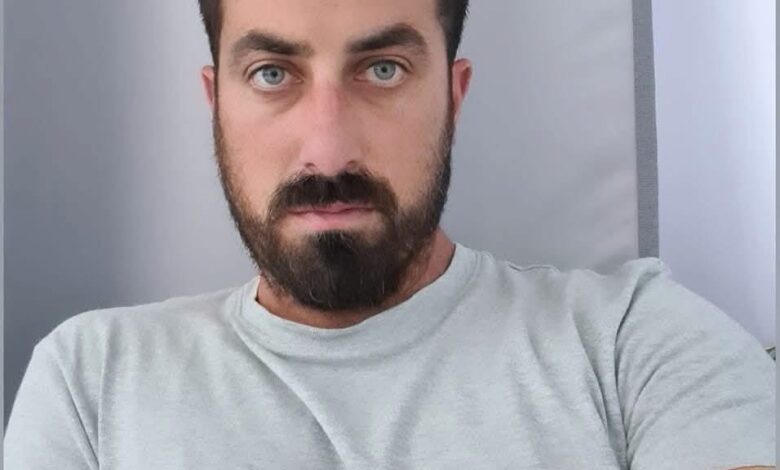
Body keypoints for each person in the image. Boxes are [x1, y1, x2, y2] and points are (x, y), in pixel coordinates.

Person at [4, 0, 775, 468]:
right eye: (272, 73)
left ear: (454, 97)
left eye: (382, 71)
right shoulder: (90, 381)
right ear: (216, 105)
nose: (328, 151)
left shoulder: (637, 344)